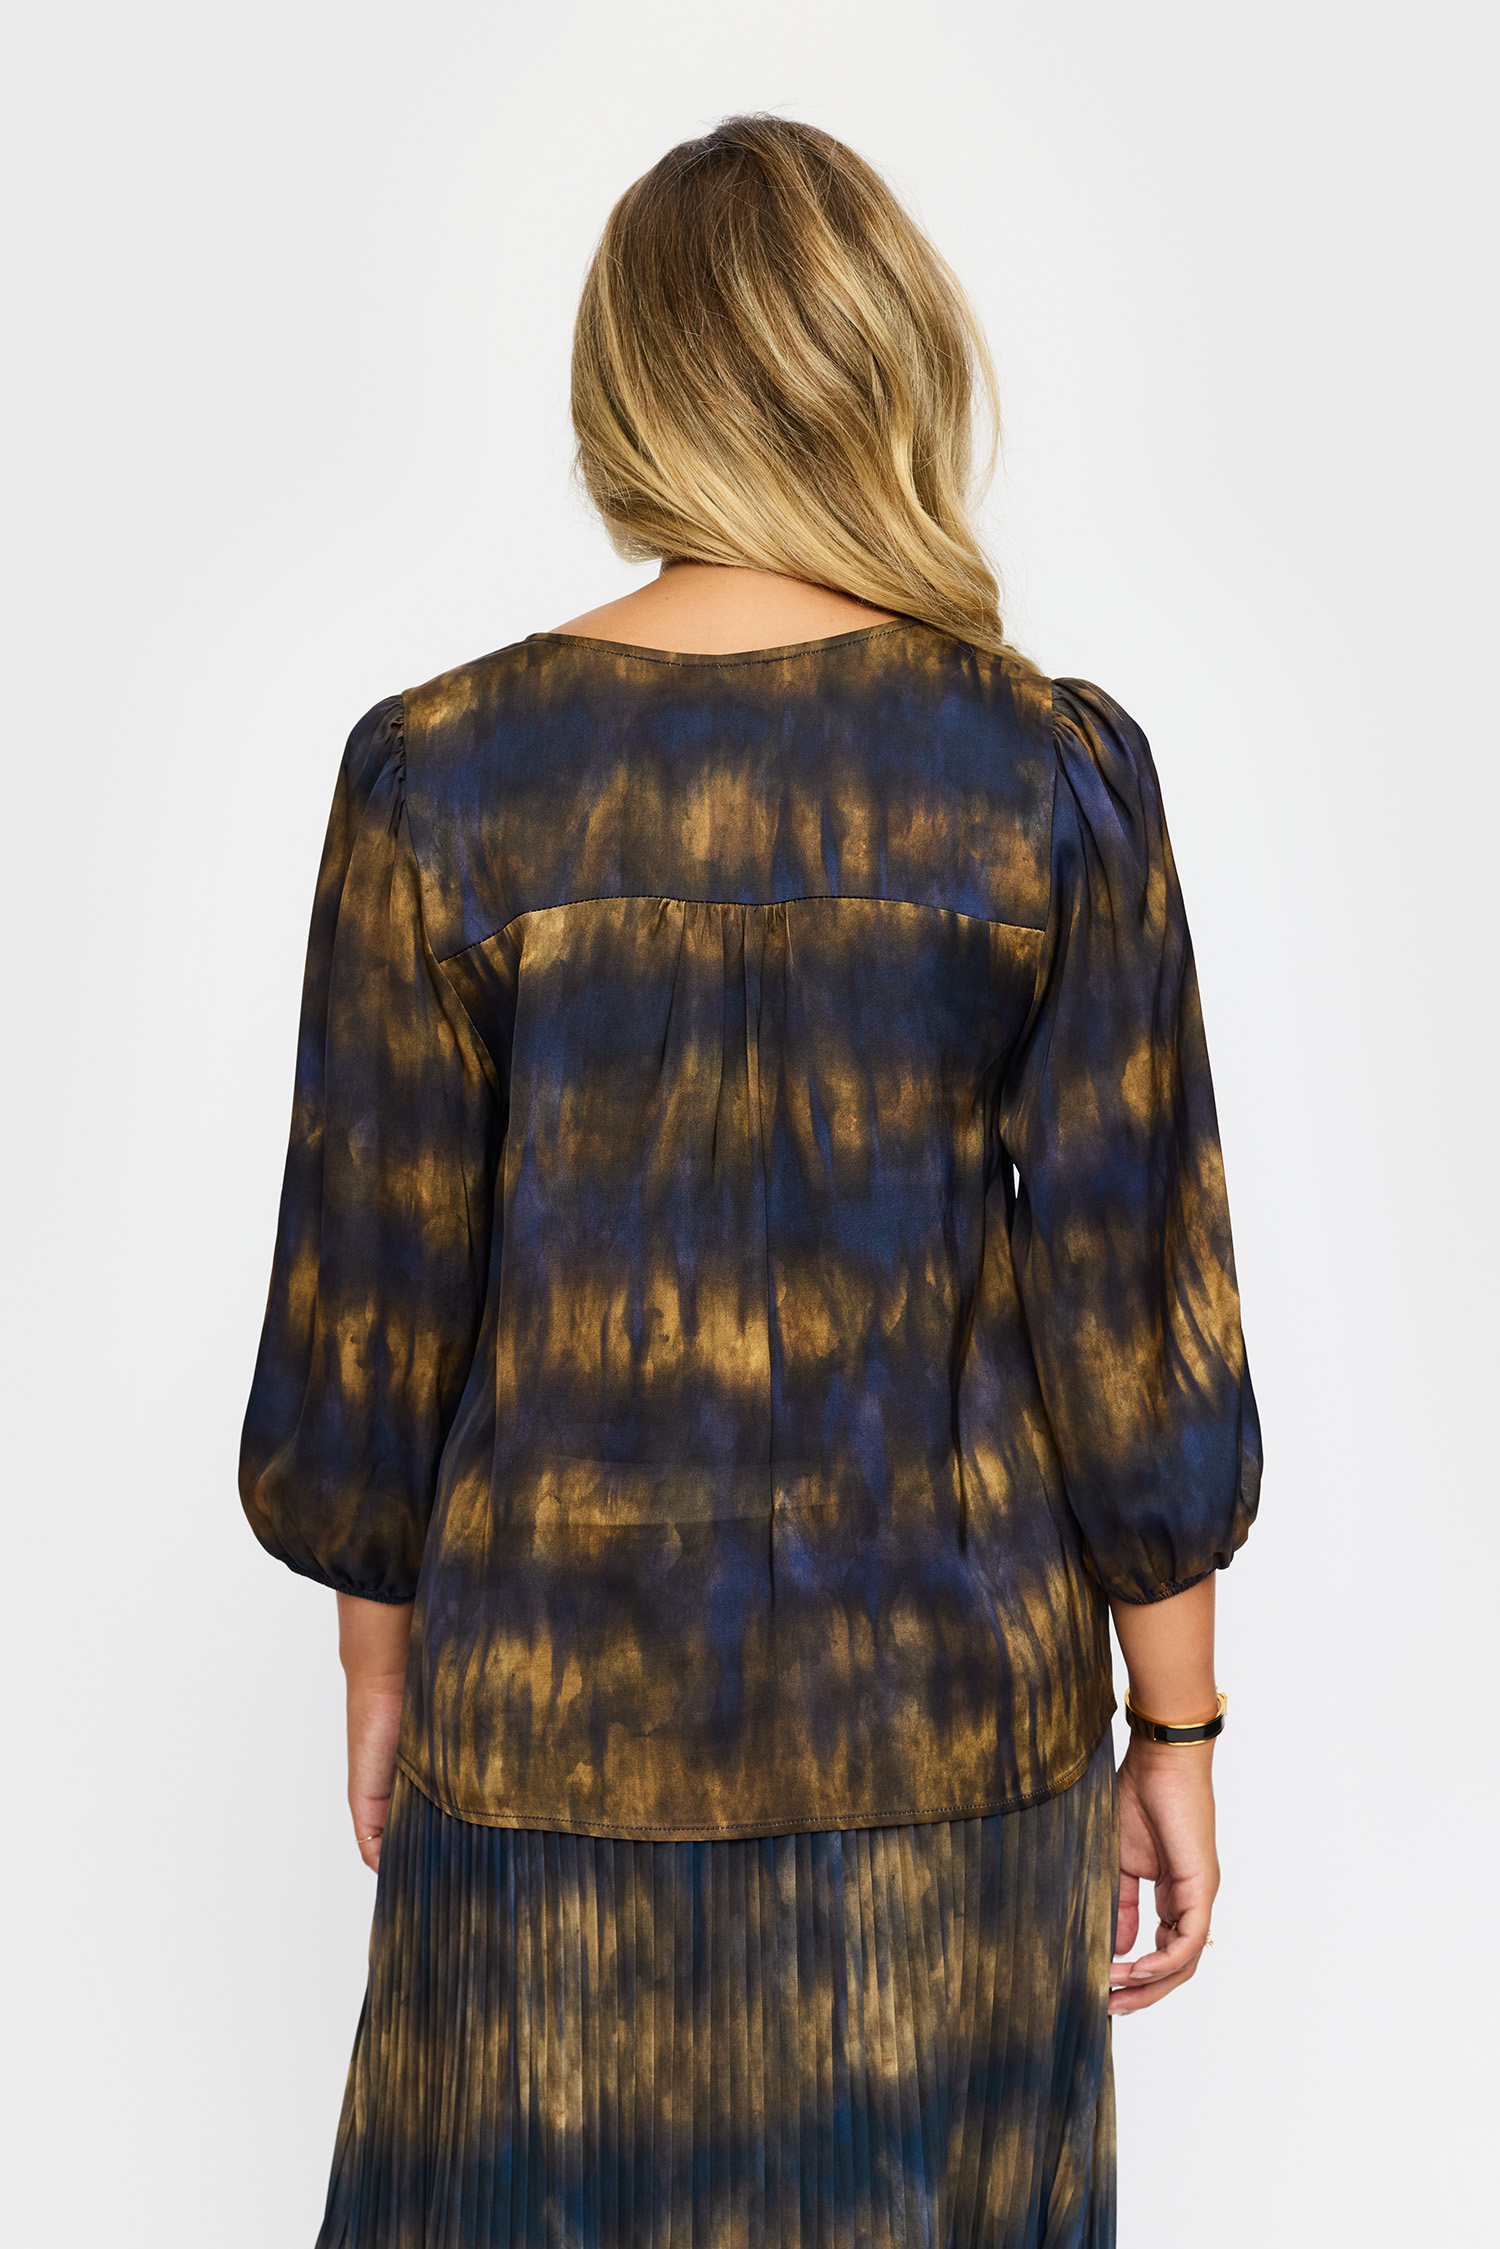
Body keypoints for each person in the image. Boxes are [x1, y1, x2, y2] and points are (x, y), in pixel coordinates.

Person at [240, 114, 1261, 2249]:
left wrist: (380, 1677)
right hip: (947, 1762)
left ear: (630, 390)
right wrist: (1175, 1723)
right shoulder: (1041, 776)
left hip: (549, 1740)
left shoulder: (442, 779)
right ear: (885, 364)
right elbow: (1136, 1322)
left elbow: (370, 1313)